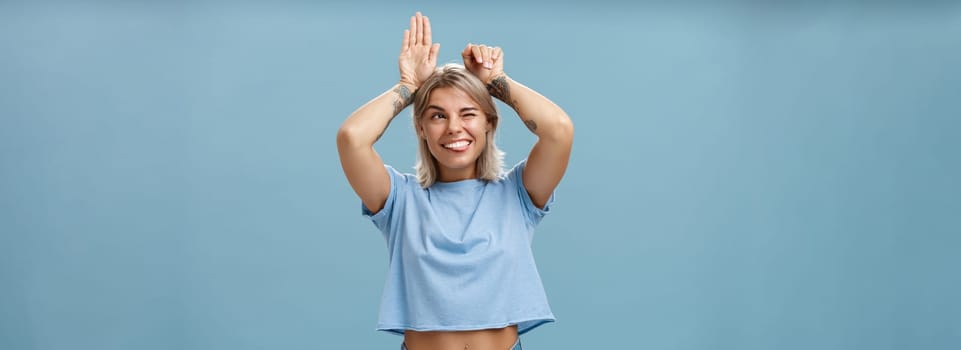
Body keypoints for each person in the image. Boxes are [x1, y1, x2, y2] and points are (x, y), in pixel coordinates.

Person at [336, 12, 574, 350]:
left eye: (468, 113)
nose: (453, 128)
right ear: (421, 127)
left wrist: (495, 81)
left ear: (489, 124)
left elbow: (559, 131)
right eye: (437, 116)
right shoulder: (399, 199)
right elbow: (351, 138)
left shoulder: (517, 194)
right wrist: (408, 86)